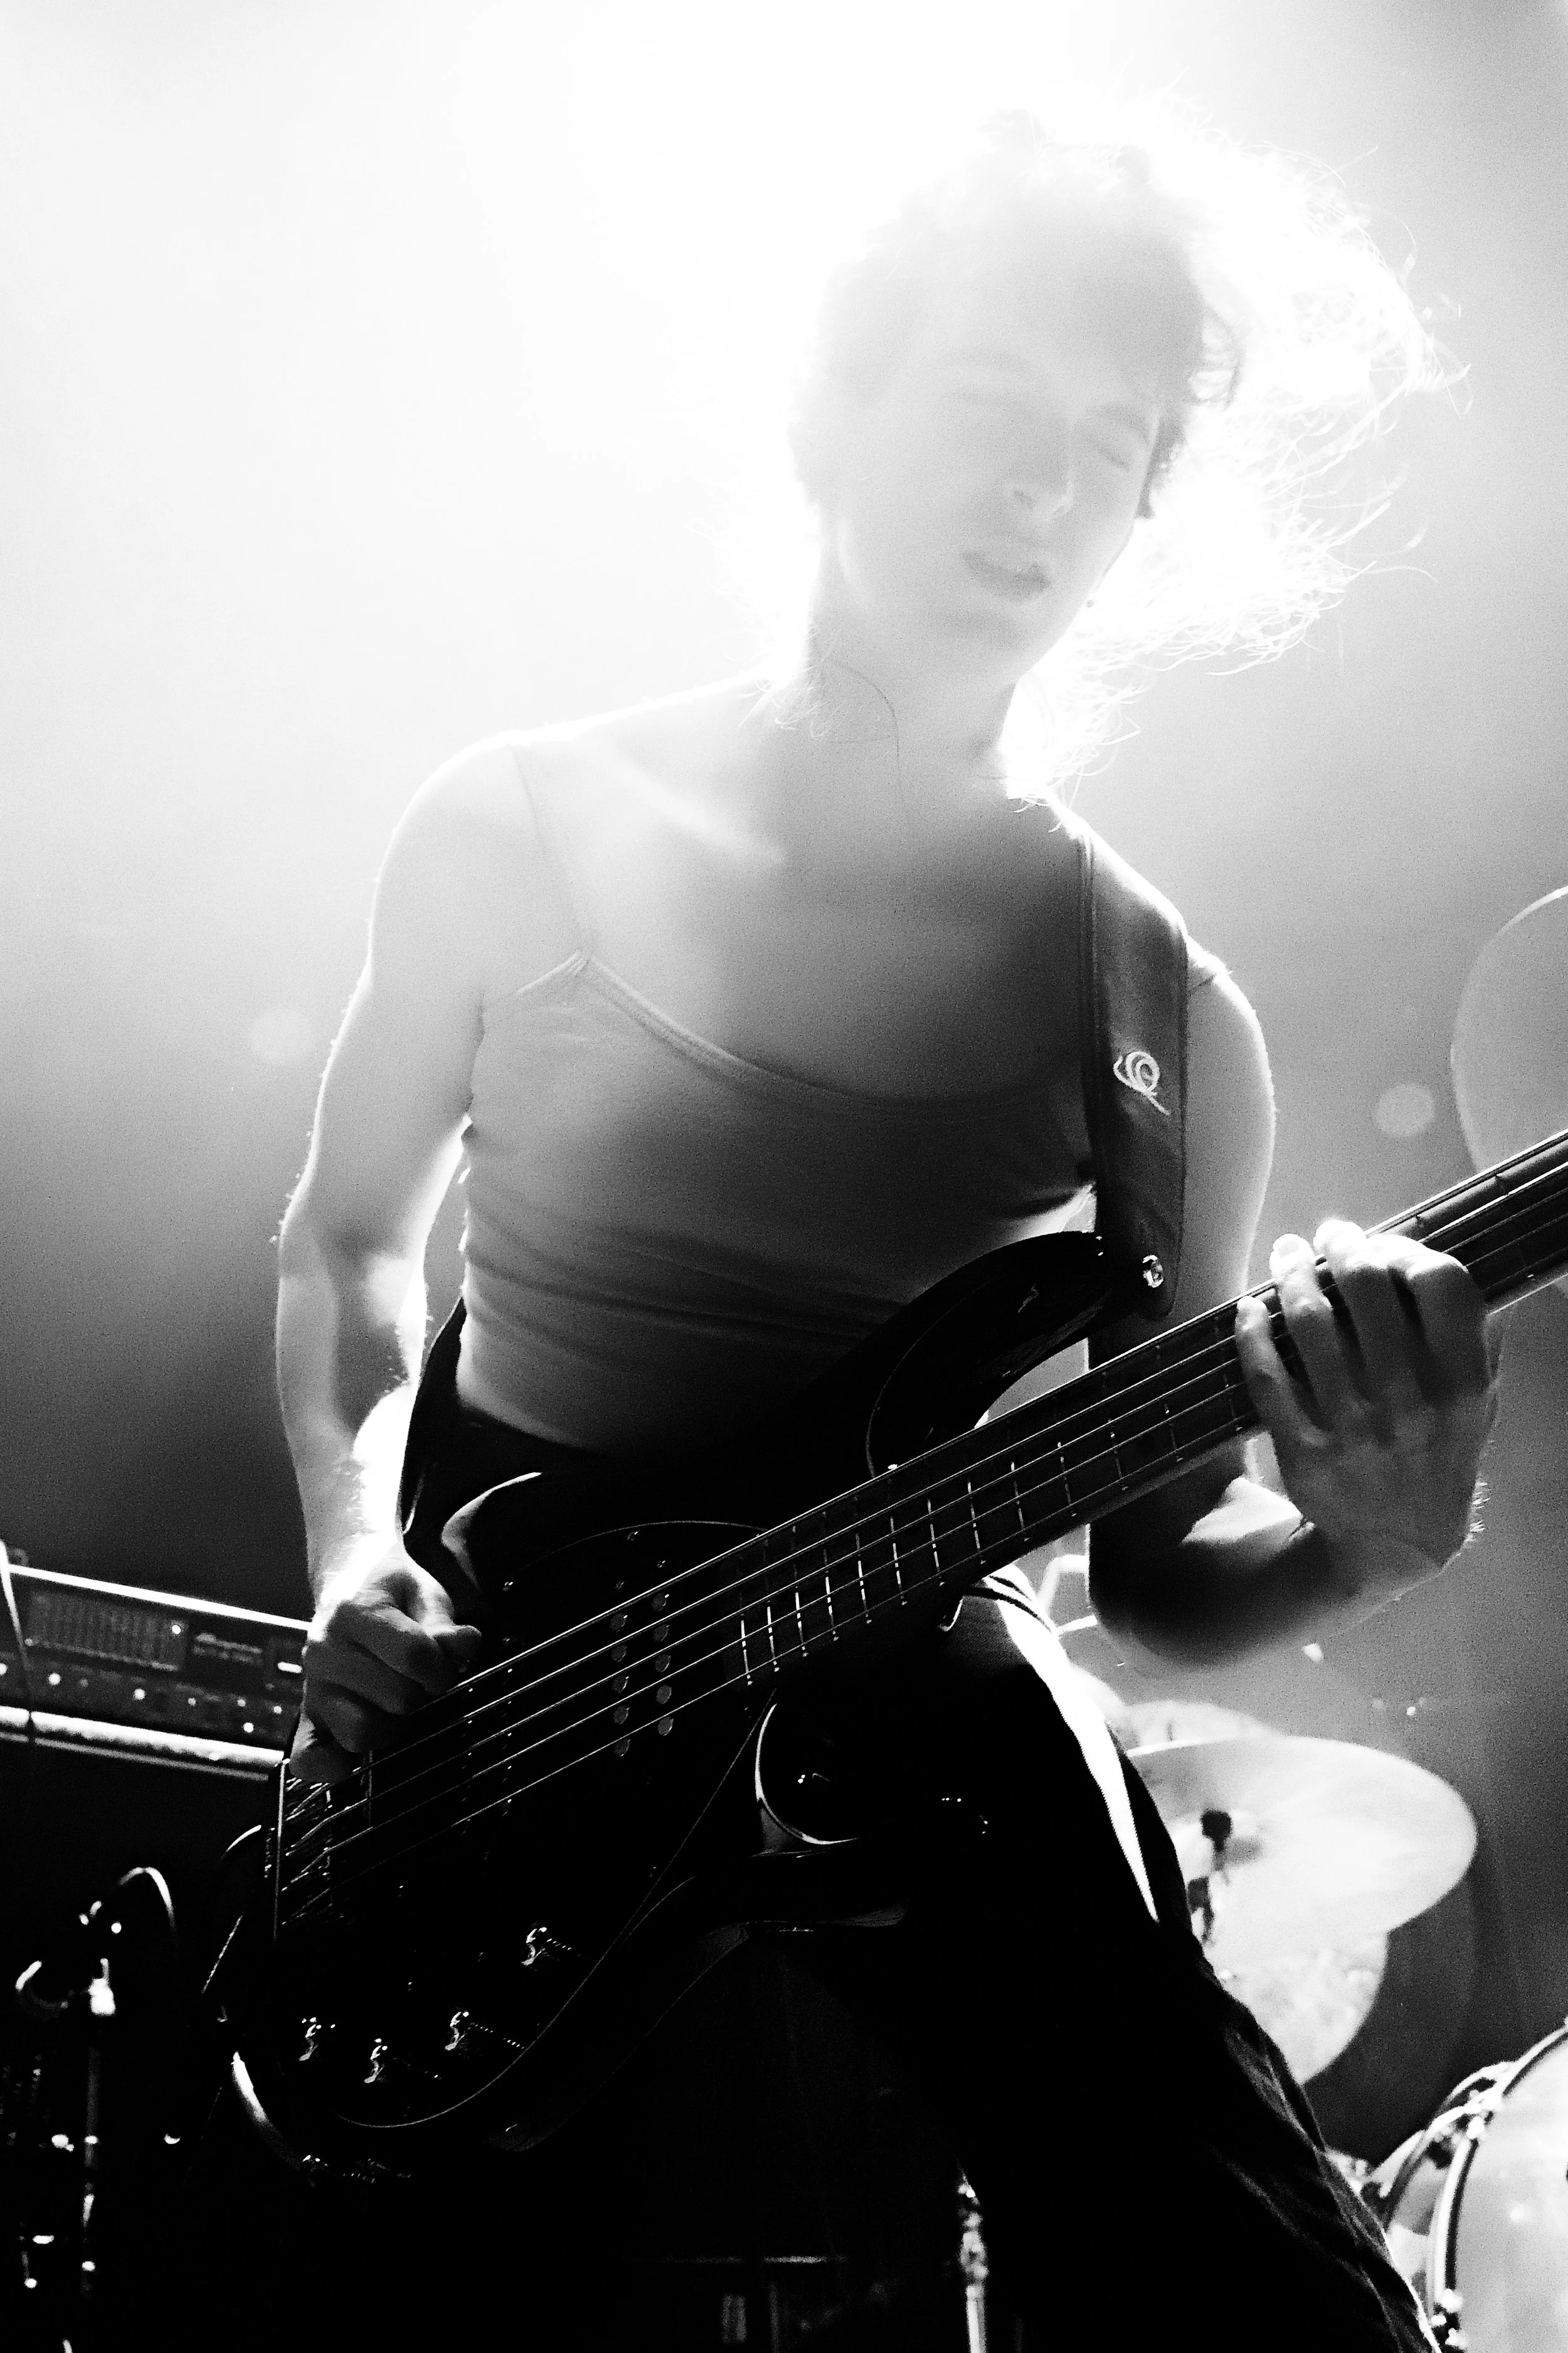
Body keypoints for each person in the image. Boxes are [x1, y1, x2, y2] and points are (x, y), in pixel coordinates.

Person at [272, 119, 1496, 2348]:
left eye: (1104, 454)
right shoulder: (519, 816)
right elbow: (348, 1244)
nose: (1040, 493)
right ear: (829, 416)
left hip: (892, 1729)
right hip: (497, 1713)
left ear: (1140, 527)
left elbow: (1154, 1572)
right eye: (984, 414)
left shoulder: (1159, 1021)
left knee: (1261, 2293)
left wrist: (1362, 1540)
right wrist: (362, 1552)